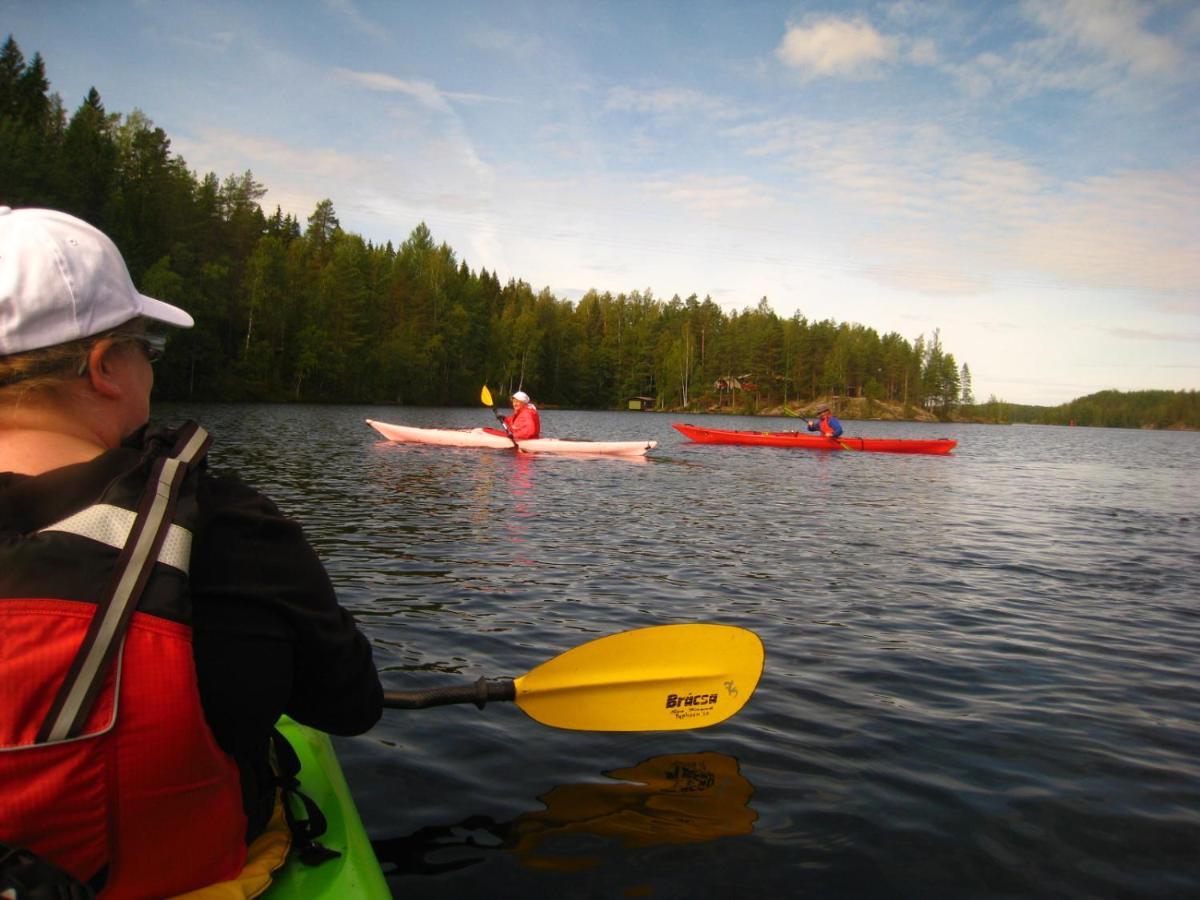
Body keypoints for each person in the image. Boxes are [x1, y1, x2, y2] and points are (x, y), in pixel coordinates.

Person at [0, 207, 383, 897]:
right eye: (146, 348)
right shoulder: (228, 528)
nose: (151, 368)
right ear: (105, 367)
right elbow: (352, 707)